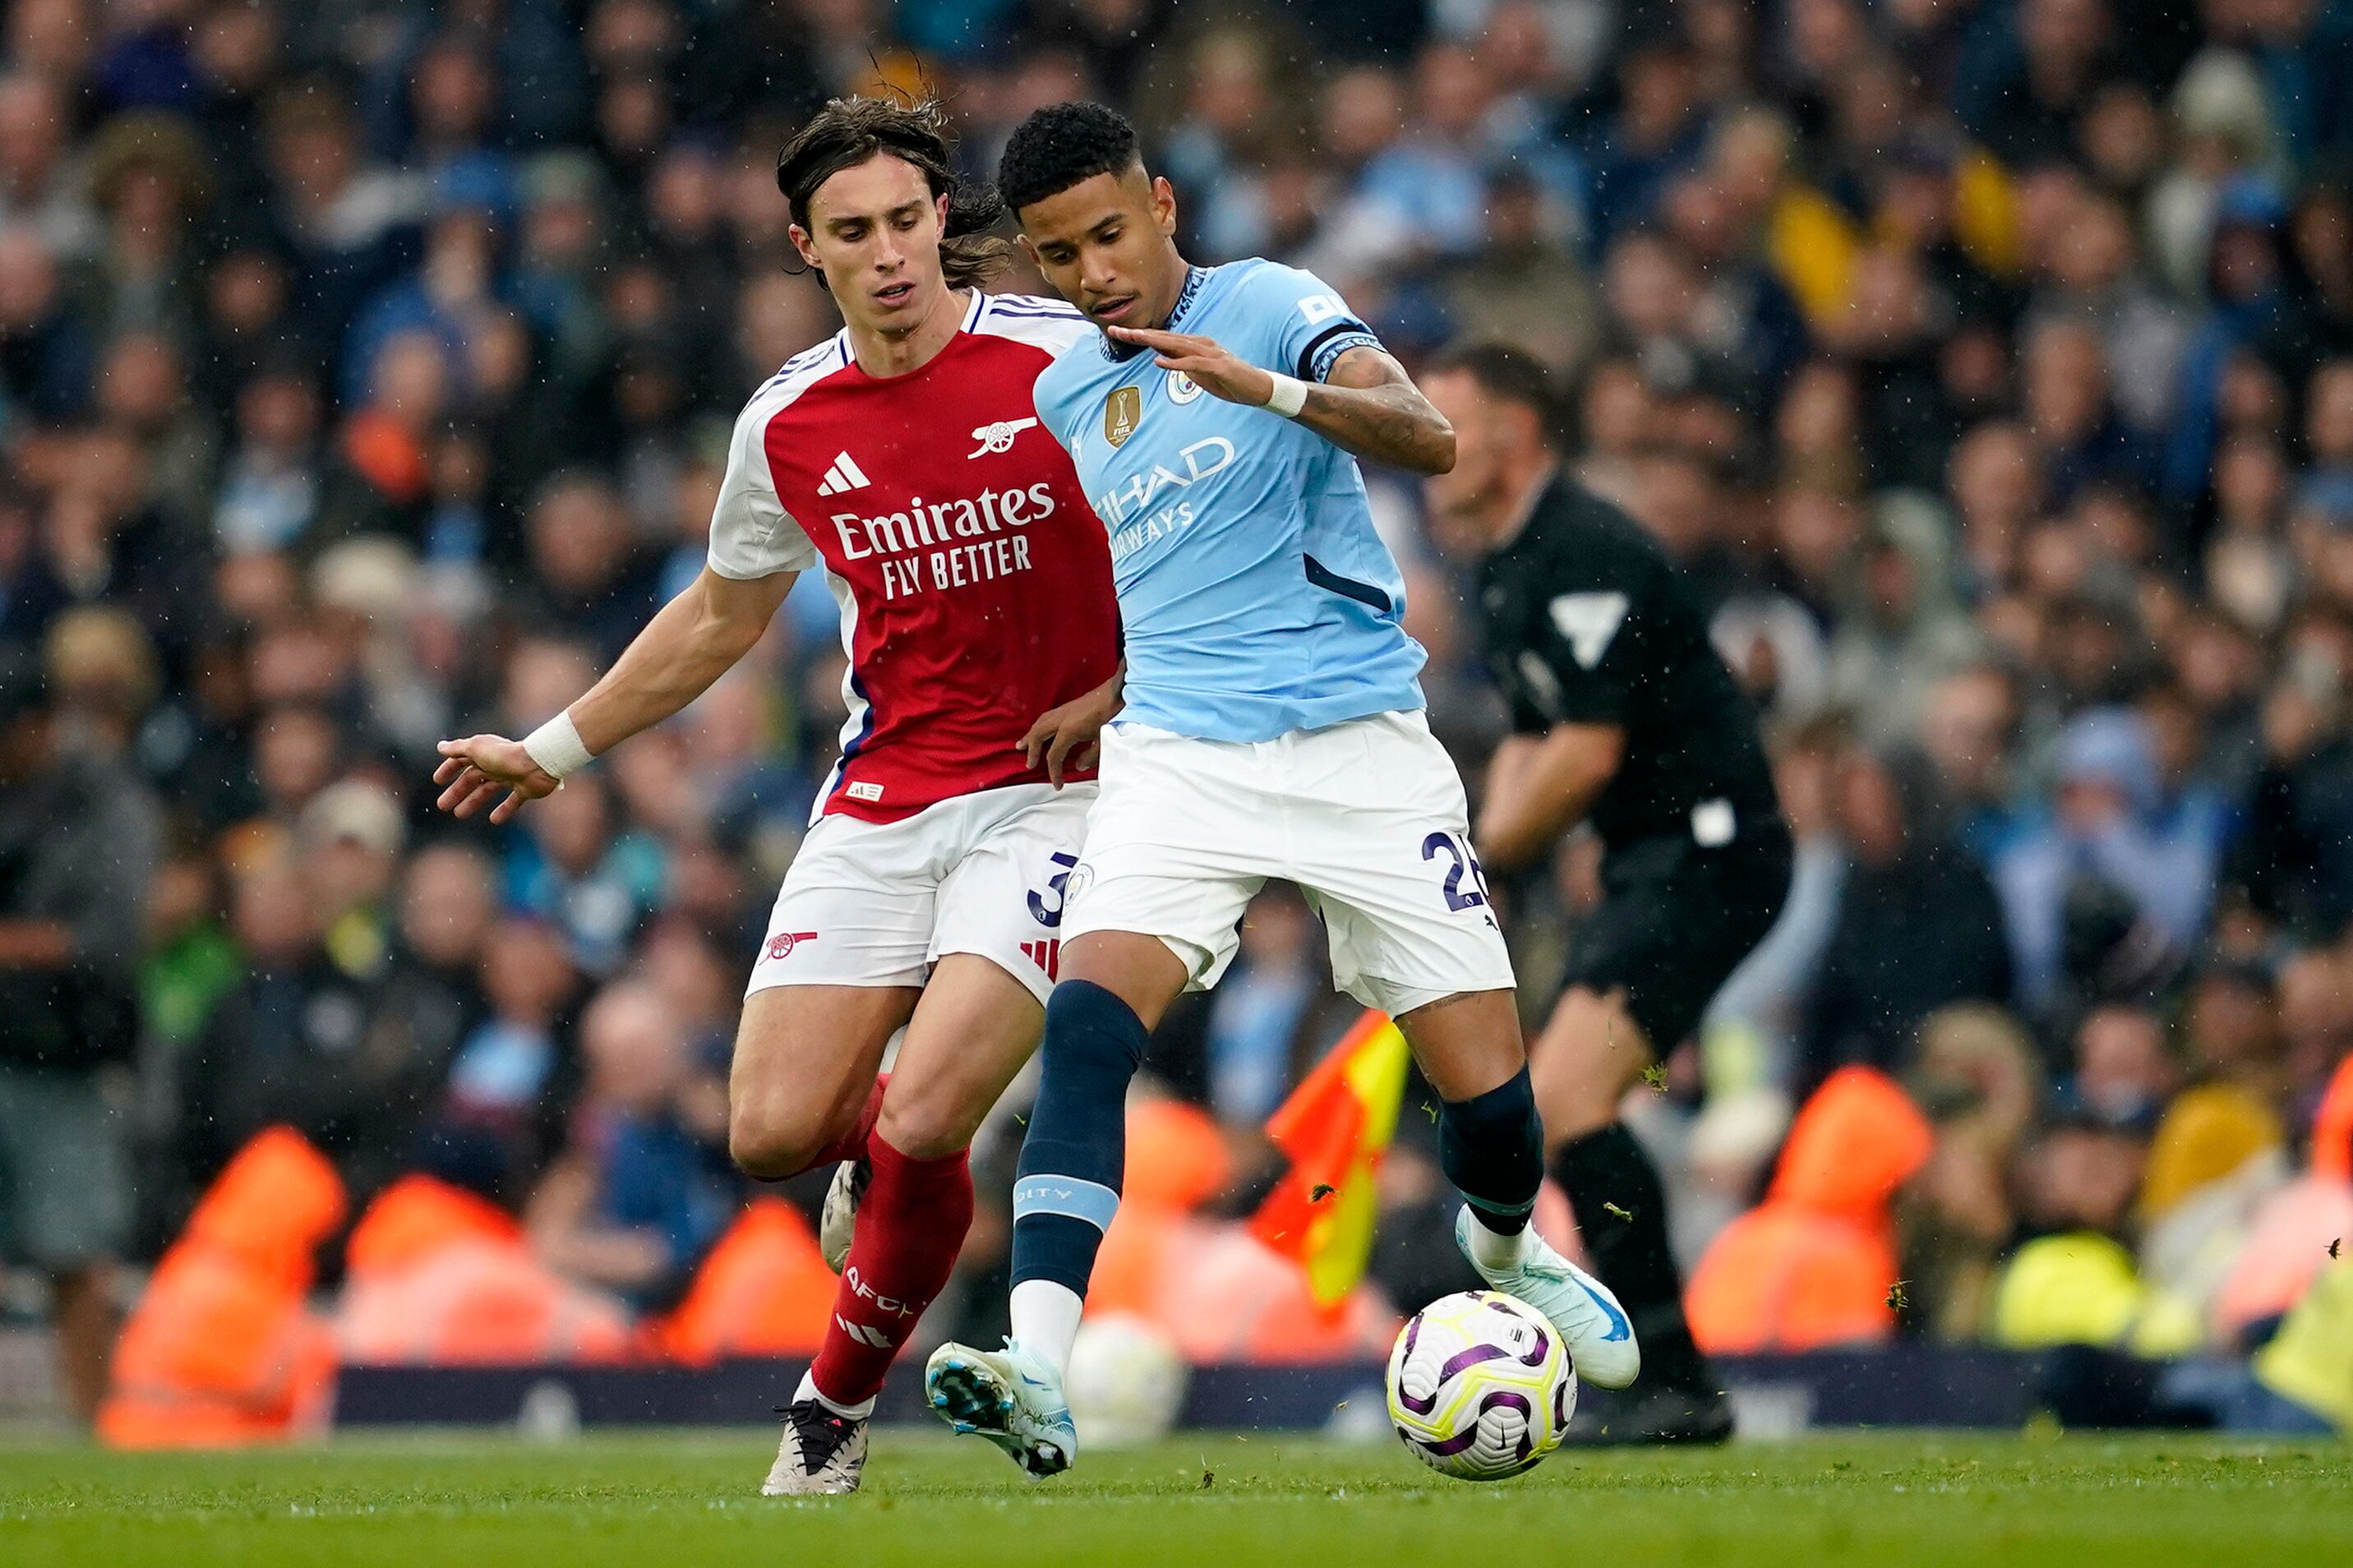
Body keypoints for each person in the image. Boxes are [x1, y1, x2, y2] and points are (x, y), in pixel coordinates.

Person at [924, 102, 1640, 1481]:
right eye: (1064, 257)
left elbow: (1426, 437)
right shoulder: (1072, 390)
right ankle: (1039, 1368)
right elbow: (1178, 565)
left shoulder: (1272, 304)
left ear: (1165, 206)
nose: (1097, 276)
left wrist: (1268, 390)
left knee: (1489, 1102)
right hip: (1179, 758)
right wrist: (1120, 689)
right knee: (1084, 1033)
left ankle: (1510, 1253)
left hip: (1358, 745)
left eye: (1112, 236)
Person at [429, 97, 1123, 1496]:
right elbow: (719, 617)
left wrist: (1124, 695)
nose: (888, 257)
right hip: (882, 796)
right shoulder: (790, 420)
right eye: (853, 233)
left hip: (1063, 793)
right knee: (766, 1137)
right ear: (806, 247)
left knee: (930, 1117)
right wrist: (552, 747)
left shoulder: (1068, 361)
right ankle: (871, 1146)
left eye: (909, 223)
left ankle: (829, 1417)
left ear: (945, 223)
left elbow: (1200, 530)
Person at [1418, 344, 1792, 1443]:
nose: (1428, 445)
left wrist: (1471, 865)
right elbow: (1537, 742)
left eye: (1448, 422)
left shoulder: (1585, 549)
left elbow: (1579, 757)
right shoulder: (1506, 561)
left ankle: (1672, 1380)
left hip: (1712, 854)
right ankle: (1677, 1380)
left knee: (1570, 1104)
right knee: (1564, 1106)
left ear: (1517, 432)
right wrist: (1480, 851)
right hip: (1649, 862)